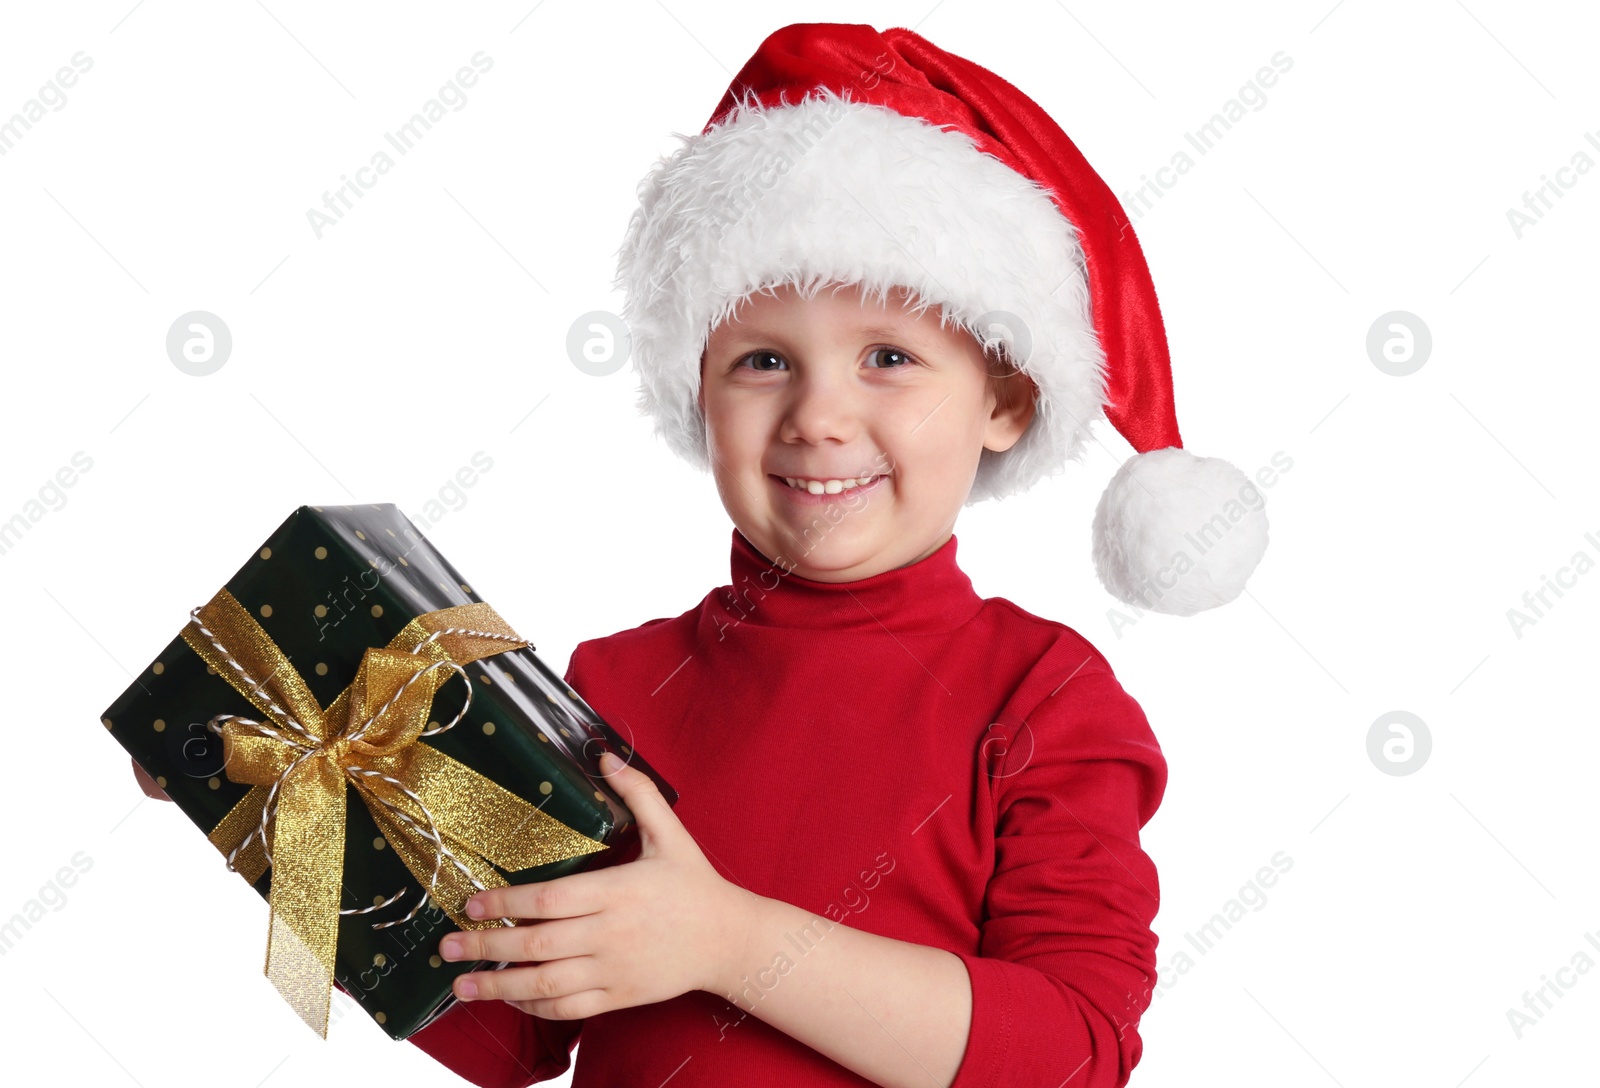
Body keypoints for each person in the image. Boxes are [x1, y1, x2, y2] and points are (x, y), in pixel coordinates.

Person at [138, 21, 1269, 1088]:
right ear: (697, 389)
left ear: (1006, 401)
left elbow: (1072, 1046)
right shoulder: (613, 683)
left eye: (887, 354)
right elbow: (511, 1025)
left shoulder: (1044, 692)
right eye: (763, 361)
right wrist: (275, 817)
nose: (819, 416)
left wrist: (727, 938)